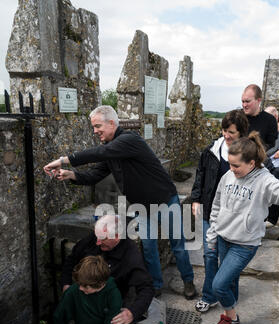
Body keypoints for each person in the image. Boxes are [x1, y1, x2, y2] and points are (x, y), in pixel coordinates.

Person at [43, 105, 196, 300]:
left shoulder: (129, 140)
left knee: (178, 245)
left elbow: (98, 153)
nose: (95, 131)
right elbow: (93, 175)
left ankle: (188, 281)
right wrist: (70, 174)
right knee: (149, 248)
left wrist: (64, 160)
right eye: (93, 127)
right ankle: (155, 285)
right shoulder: (112, 152)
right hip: (142, 207)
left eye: (98, 126)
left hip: (164, 200)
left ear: (112, 123)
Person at [60, 215, 206, 324]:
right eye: (97, 238)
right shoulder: (95, 239)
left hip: (112, 313)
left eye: (102, 239)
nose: (97, 243)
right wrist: (66, 285)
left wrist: (131, 313)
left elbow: (146, 288)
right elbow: (71, 260)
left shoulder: (130, 255)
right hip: (89, 313)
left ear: (116, 237)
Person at [205, 131, 279, 324]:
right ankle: (228, 317)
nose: (232, 169)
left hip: (244, 244)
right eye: (230, 164)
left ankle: (233, 320)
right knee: (230, 282)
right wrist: (212, 235)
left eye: (236, 165)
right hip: (224, 238)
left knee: (218, 284)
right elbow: (217, 206)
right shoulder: (228, 175)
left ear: (252, 163)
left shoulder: (264, 181)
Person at [191, 109, 249, 313]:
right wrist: (196, 199)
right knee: (209, 254)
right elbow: (200, 174)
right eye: (225, 130)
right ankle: (209, 296)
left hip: (234, 217)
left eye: (231, 131)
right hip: (211, 212)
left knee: (229, 260)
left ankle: (229, 296)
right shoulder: (211, 151)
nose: (226, 135)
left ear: (241, 132)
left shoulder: (248, 155)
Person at [241, 84, 278, 150]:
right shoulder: (237, 117)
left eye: (247, 101)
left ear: (258, 100)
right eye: (243, 101)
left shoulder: (270, 120)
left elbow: (271, 144)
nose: (244, 105)